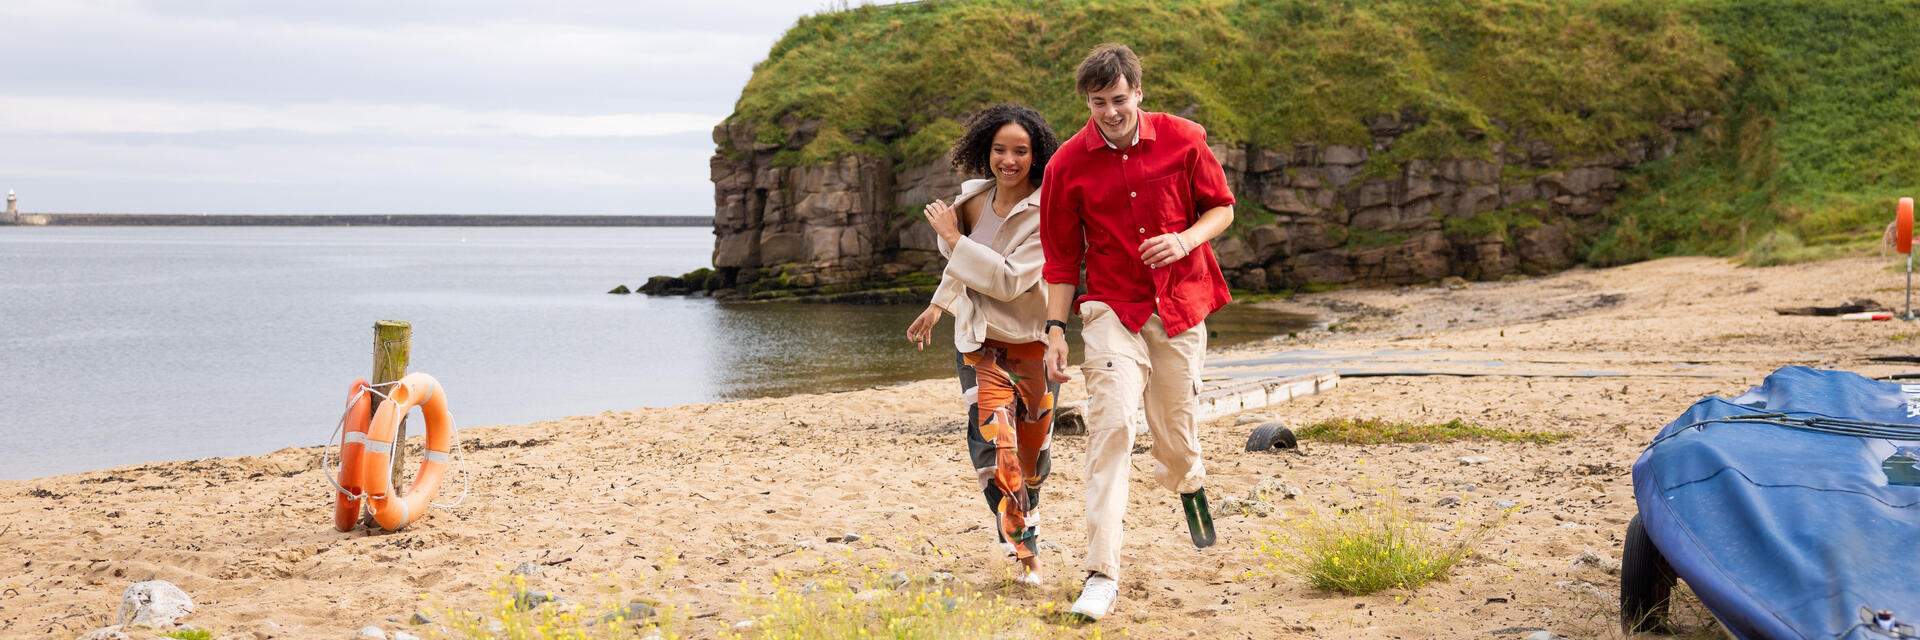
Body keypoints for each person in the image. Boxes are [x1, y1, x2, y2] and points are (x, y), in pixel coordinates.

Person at [1037, 43, 1237, 621]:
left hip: (1179, 305)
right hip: (1108, 310)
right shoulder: (1066, 166)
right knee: (1113, 426)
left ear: (1138, 93)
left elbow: (1221, 208)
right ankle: (1101, 573)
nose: (1110, 113)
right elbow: (1059, 261)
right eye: (1098, 103)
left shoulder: (1183, 137)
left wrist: (1184, 240)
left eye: (1119, 100)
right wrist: (1055, 329)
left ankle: (1188, 477)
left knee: (1175, 436)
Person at [904, 103, 1062, 586]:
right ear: (984, 151)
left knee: (1034, 459)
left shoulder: (1046, 209)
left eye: (1020, 151)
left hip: (1030, 344)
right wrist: (938, 304)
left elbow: (1010, 281)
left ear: (1036, 155)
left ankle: (1025, 515)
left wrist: (953, 237)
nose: (1008, 160)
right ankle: (1026, 556)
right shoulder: (972, 199)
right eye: (999, 149)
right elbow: (962, 264)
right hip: (978, 346)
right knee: (999, 451)